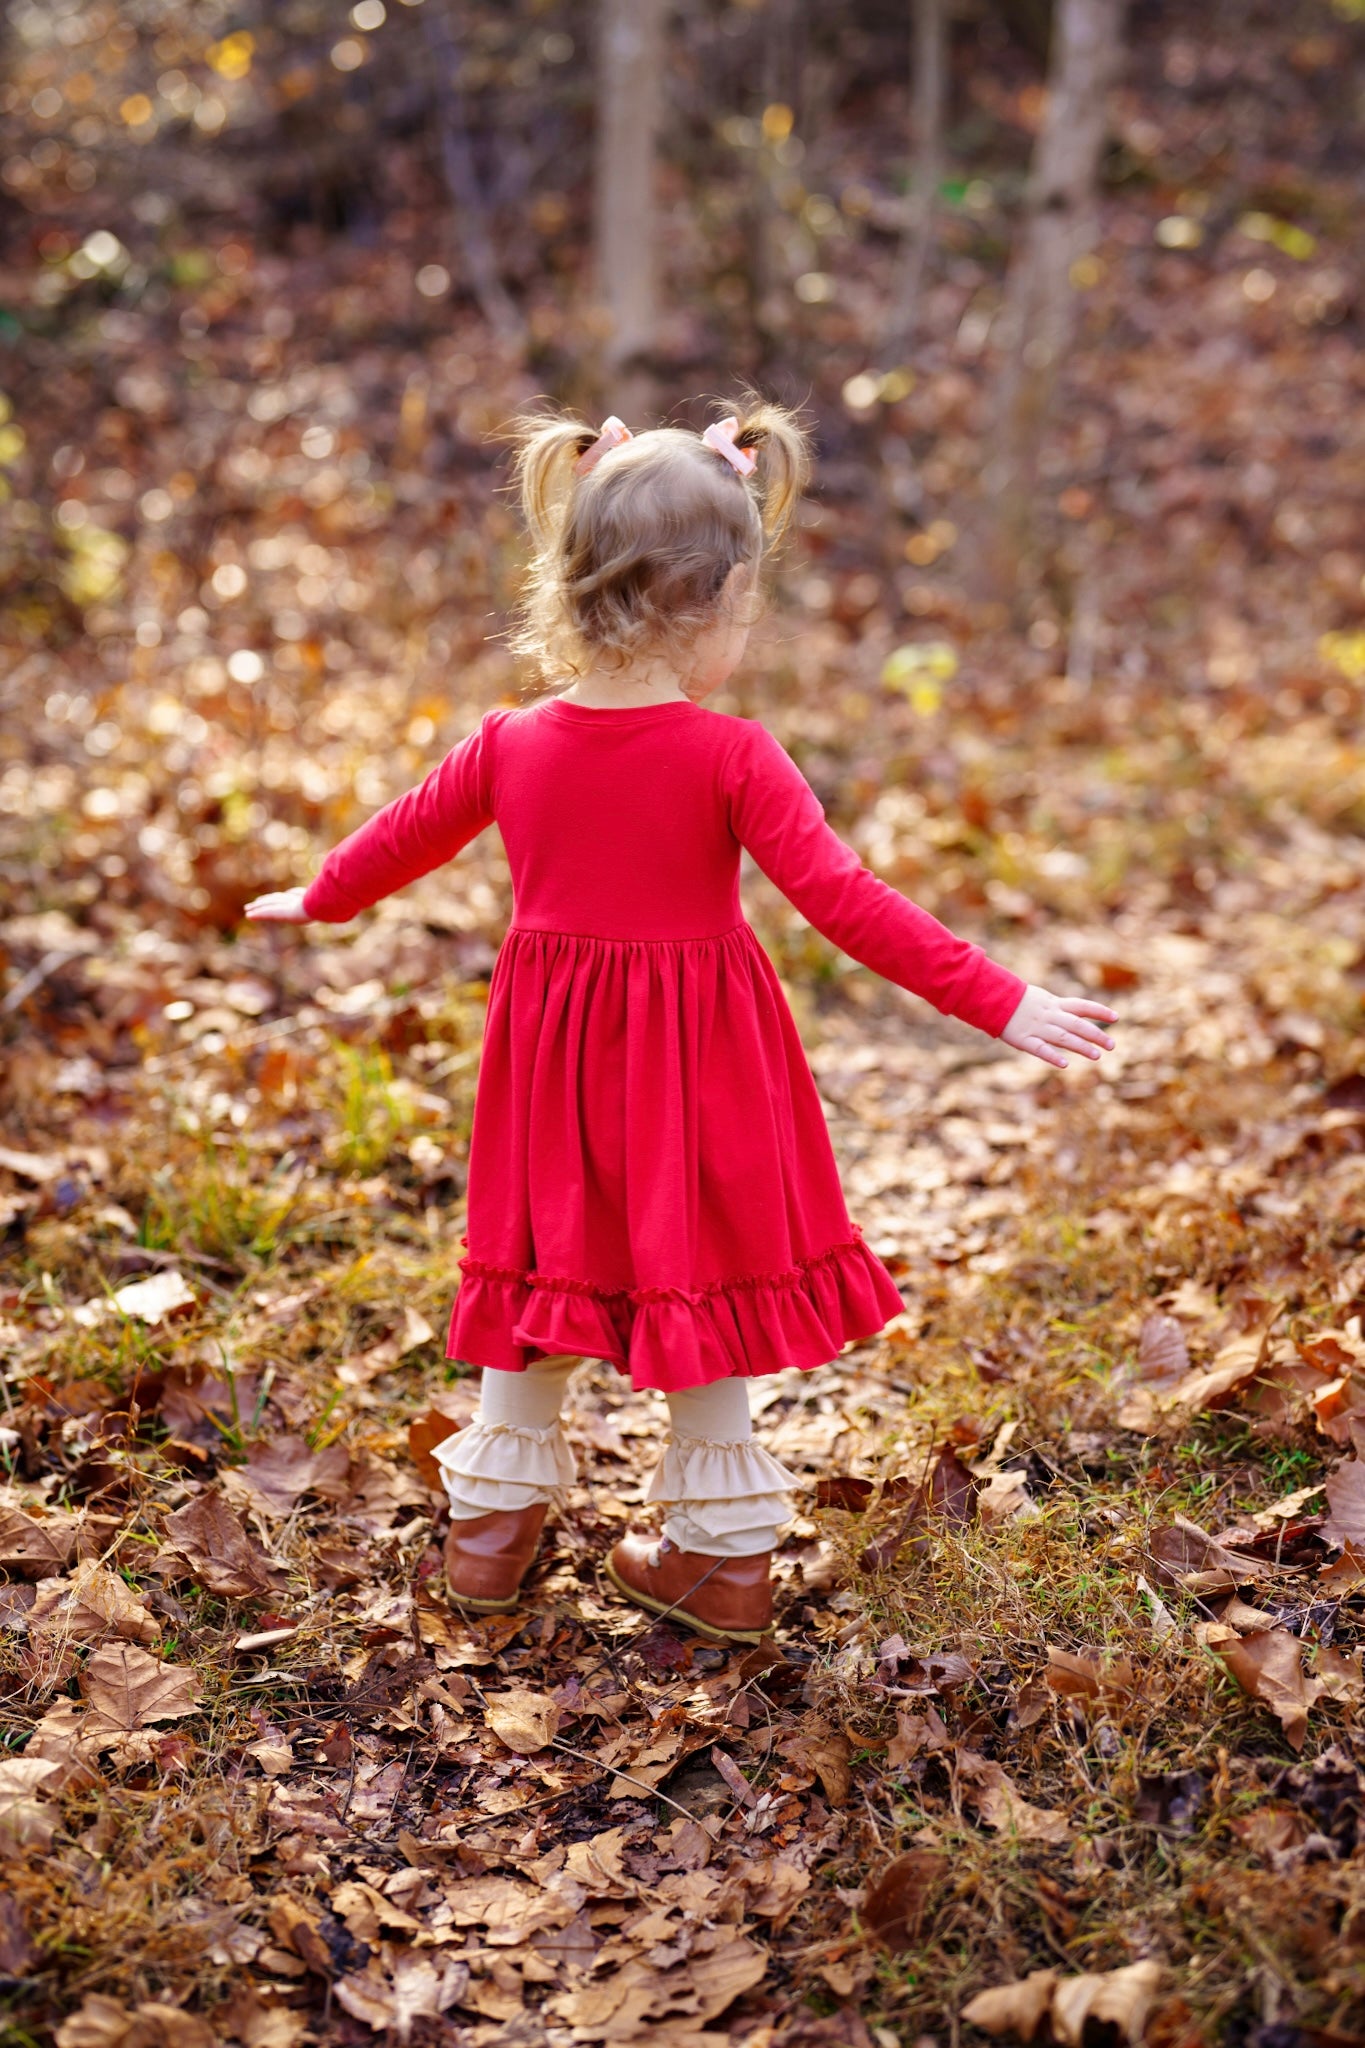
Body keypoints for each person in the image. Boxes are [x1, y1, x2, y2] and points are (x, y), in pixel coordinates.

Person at [246, 399, 1115, 1645]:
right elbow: (845, 901)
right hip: (699, 1059)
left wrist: (322, 895)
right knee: (688, 1263)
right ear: (710, 605)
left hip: (549, 1059)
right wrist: (1002, 999)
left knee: (546, 1259)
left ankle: (489, 1537)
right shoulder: (731, 755)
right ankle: (721, 1559)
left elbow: (403, 833)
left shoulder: (511, 742)